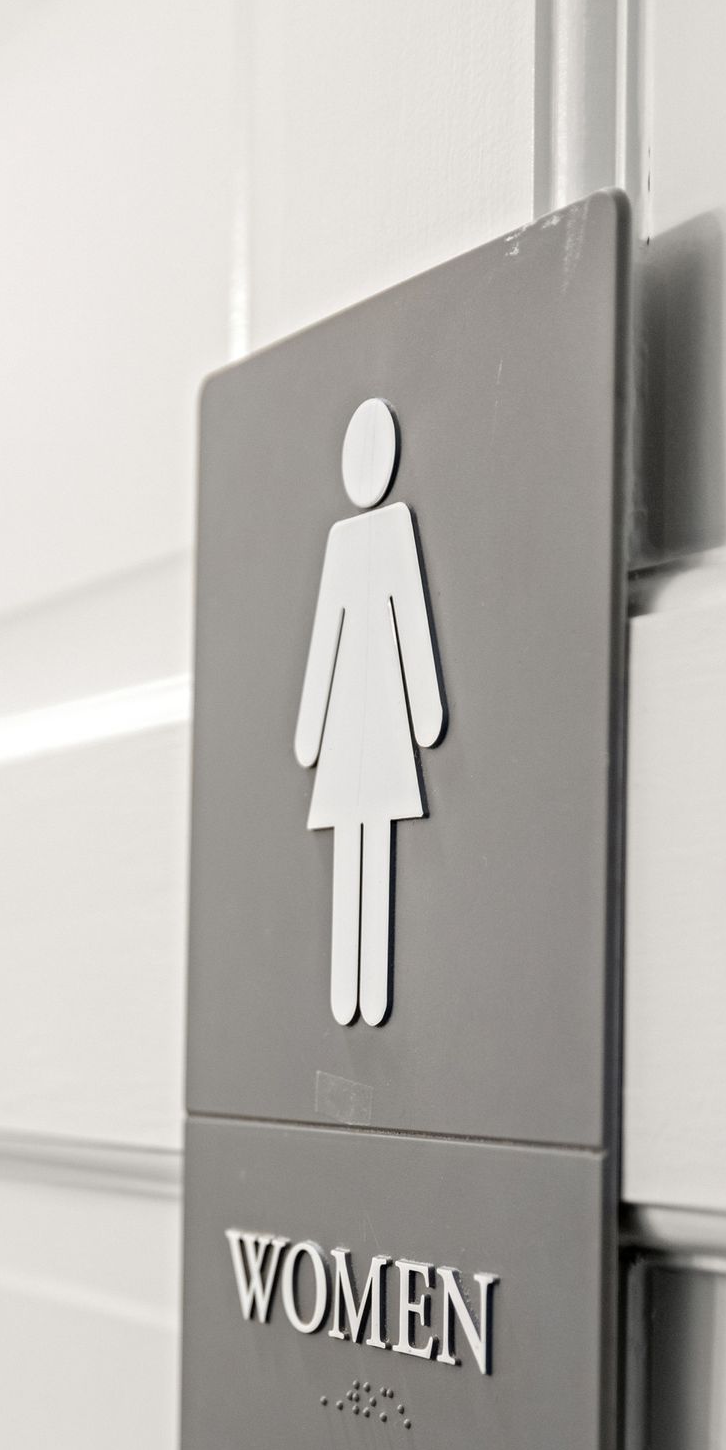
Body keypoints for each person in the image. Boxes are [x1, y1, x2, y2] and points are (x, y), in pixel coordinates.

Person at [293, 398, 445, 1026]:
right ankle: (351, 992)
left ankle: (367, 993)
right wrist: (310, 732)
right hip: (361, 716)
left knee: (371, 840)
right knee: (357, 841)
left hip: (374, 718)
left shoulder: (390, 533)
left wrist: (425, 713)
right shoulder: (349, 542)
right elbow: (326, 634)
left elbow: (410, 623)